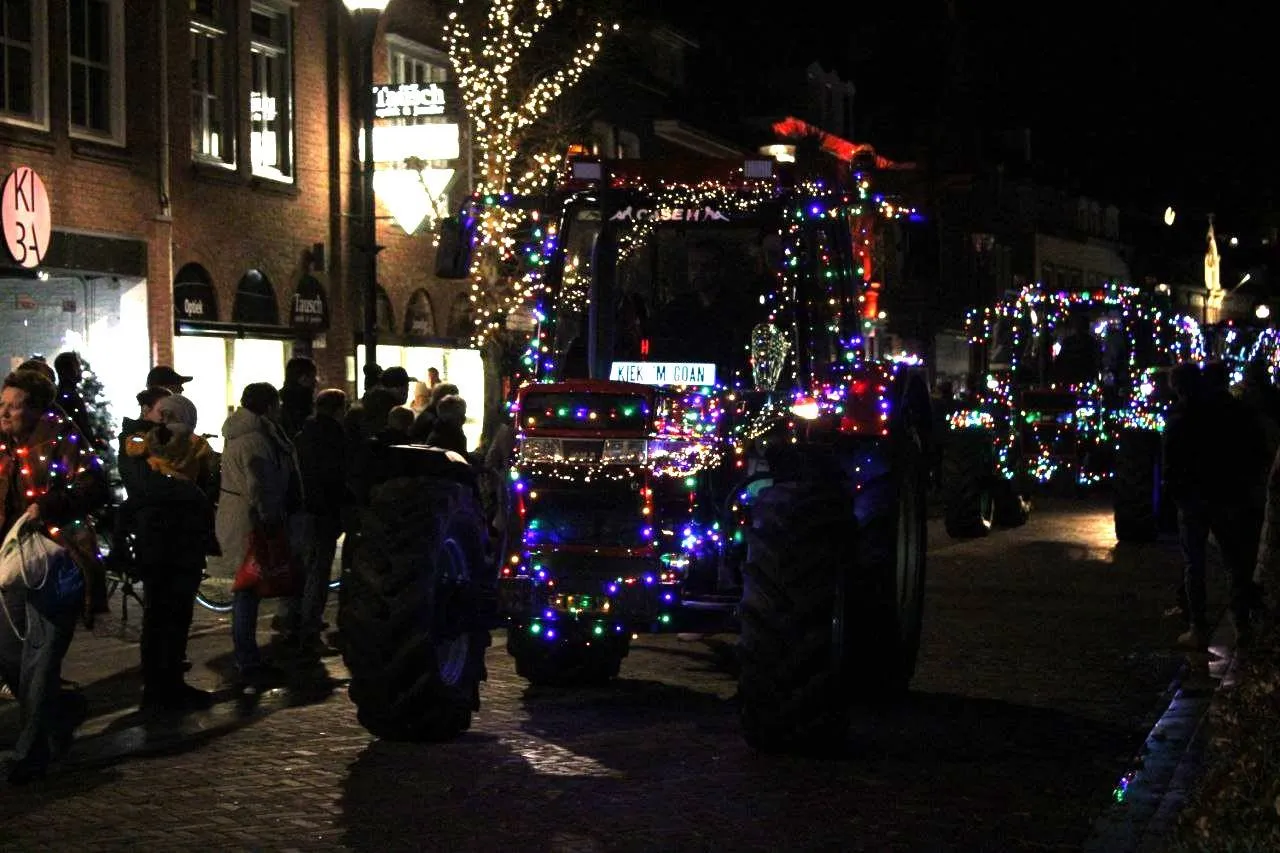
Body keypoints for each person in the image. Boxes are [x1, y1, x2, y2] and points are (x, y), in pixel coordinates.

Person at [0, 369, 108, 784]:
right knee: (10, 656)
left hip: (58, 559)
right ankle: (60, 712)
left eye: (15, 405)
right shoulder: (3, 442)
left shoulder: (60, 436)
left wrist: (50, 506)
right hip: (10, 564)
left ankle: (31, 753)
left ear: (37, 406)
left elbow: (94, 484)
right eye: (3, 403)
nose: (6, 412)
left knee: (40, 660)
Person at [117, 394, 218, 712]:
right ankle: (157, 689)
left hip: (184, 537)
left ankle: (172, 683)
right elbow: (146, 487)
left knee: (178, 615)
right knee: (160, 615)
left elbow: (206, 477)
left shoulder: (184, 443)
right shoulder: (135, 441)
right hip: (158, 539)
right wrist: (190, 490)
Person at [216, 383, 300, 686]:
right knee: (247, 589)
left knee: (247, 589)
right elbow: (260, 485)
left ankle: (247, 655)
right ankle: (247, 658)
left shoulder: (249, 434)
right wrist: (270, 519)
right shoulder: (255, 440)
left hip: (243, 516)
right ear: (268, 407)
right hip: (249, 522)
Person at [276, 388, 348, 653]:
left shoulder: (302, 435)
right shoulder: (335, 437)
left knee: (299, 569)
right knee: (318, 573)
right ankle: (309, 629)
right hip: (323, 512)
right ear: (339, 409)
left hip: (300, 511)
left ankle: (291, 622)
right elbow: (337, 477)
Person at [52, 352, 93, 444]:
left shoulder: (65, 393)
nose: (80, 371)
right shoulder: (68, 396)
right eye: (77, 367)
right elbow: (81, 428)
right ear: (68, 370)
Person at [279, 356, 317, 441]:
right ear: (303, 378)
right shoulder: (303, 406)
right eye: (313, 377)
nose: (315, 381)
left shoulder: (282, 404)